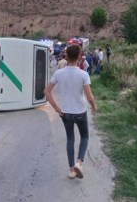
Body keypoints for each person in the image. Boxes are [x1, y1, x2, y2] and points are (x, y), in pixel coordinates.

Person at [44, 45, 98, 180]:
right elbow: (89, 97)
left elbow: (47, 91)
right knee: (84, 137)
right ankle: (79, 163)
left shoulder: (59, 73)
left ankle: (71, 170)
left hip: (65, 113)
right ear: (80, 56)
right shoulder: (83, 74)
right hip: (80, 111)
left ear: (66, 55)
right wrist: (94, 107)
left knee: (70, 139)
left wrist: (56, 108)